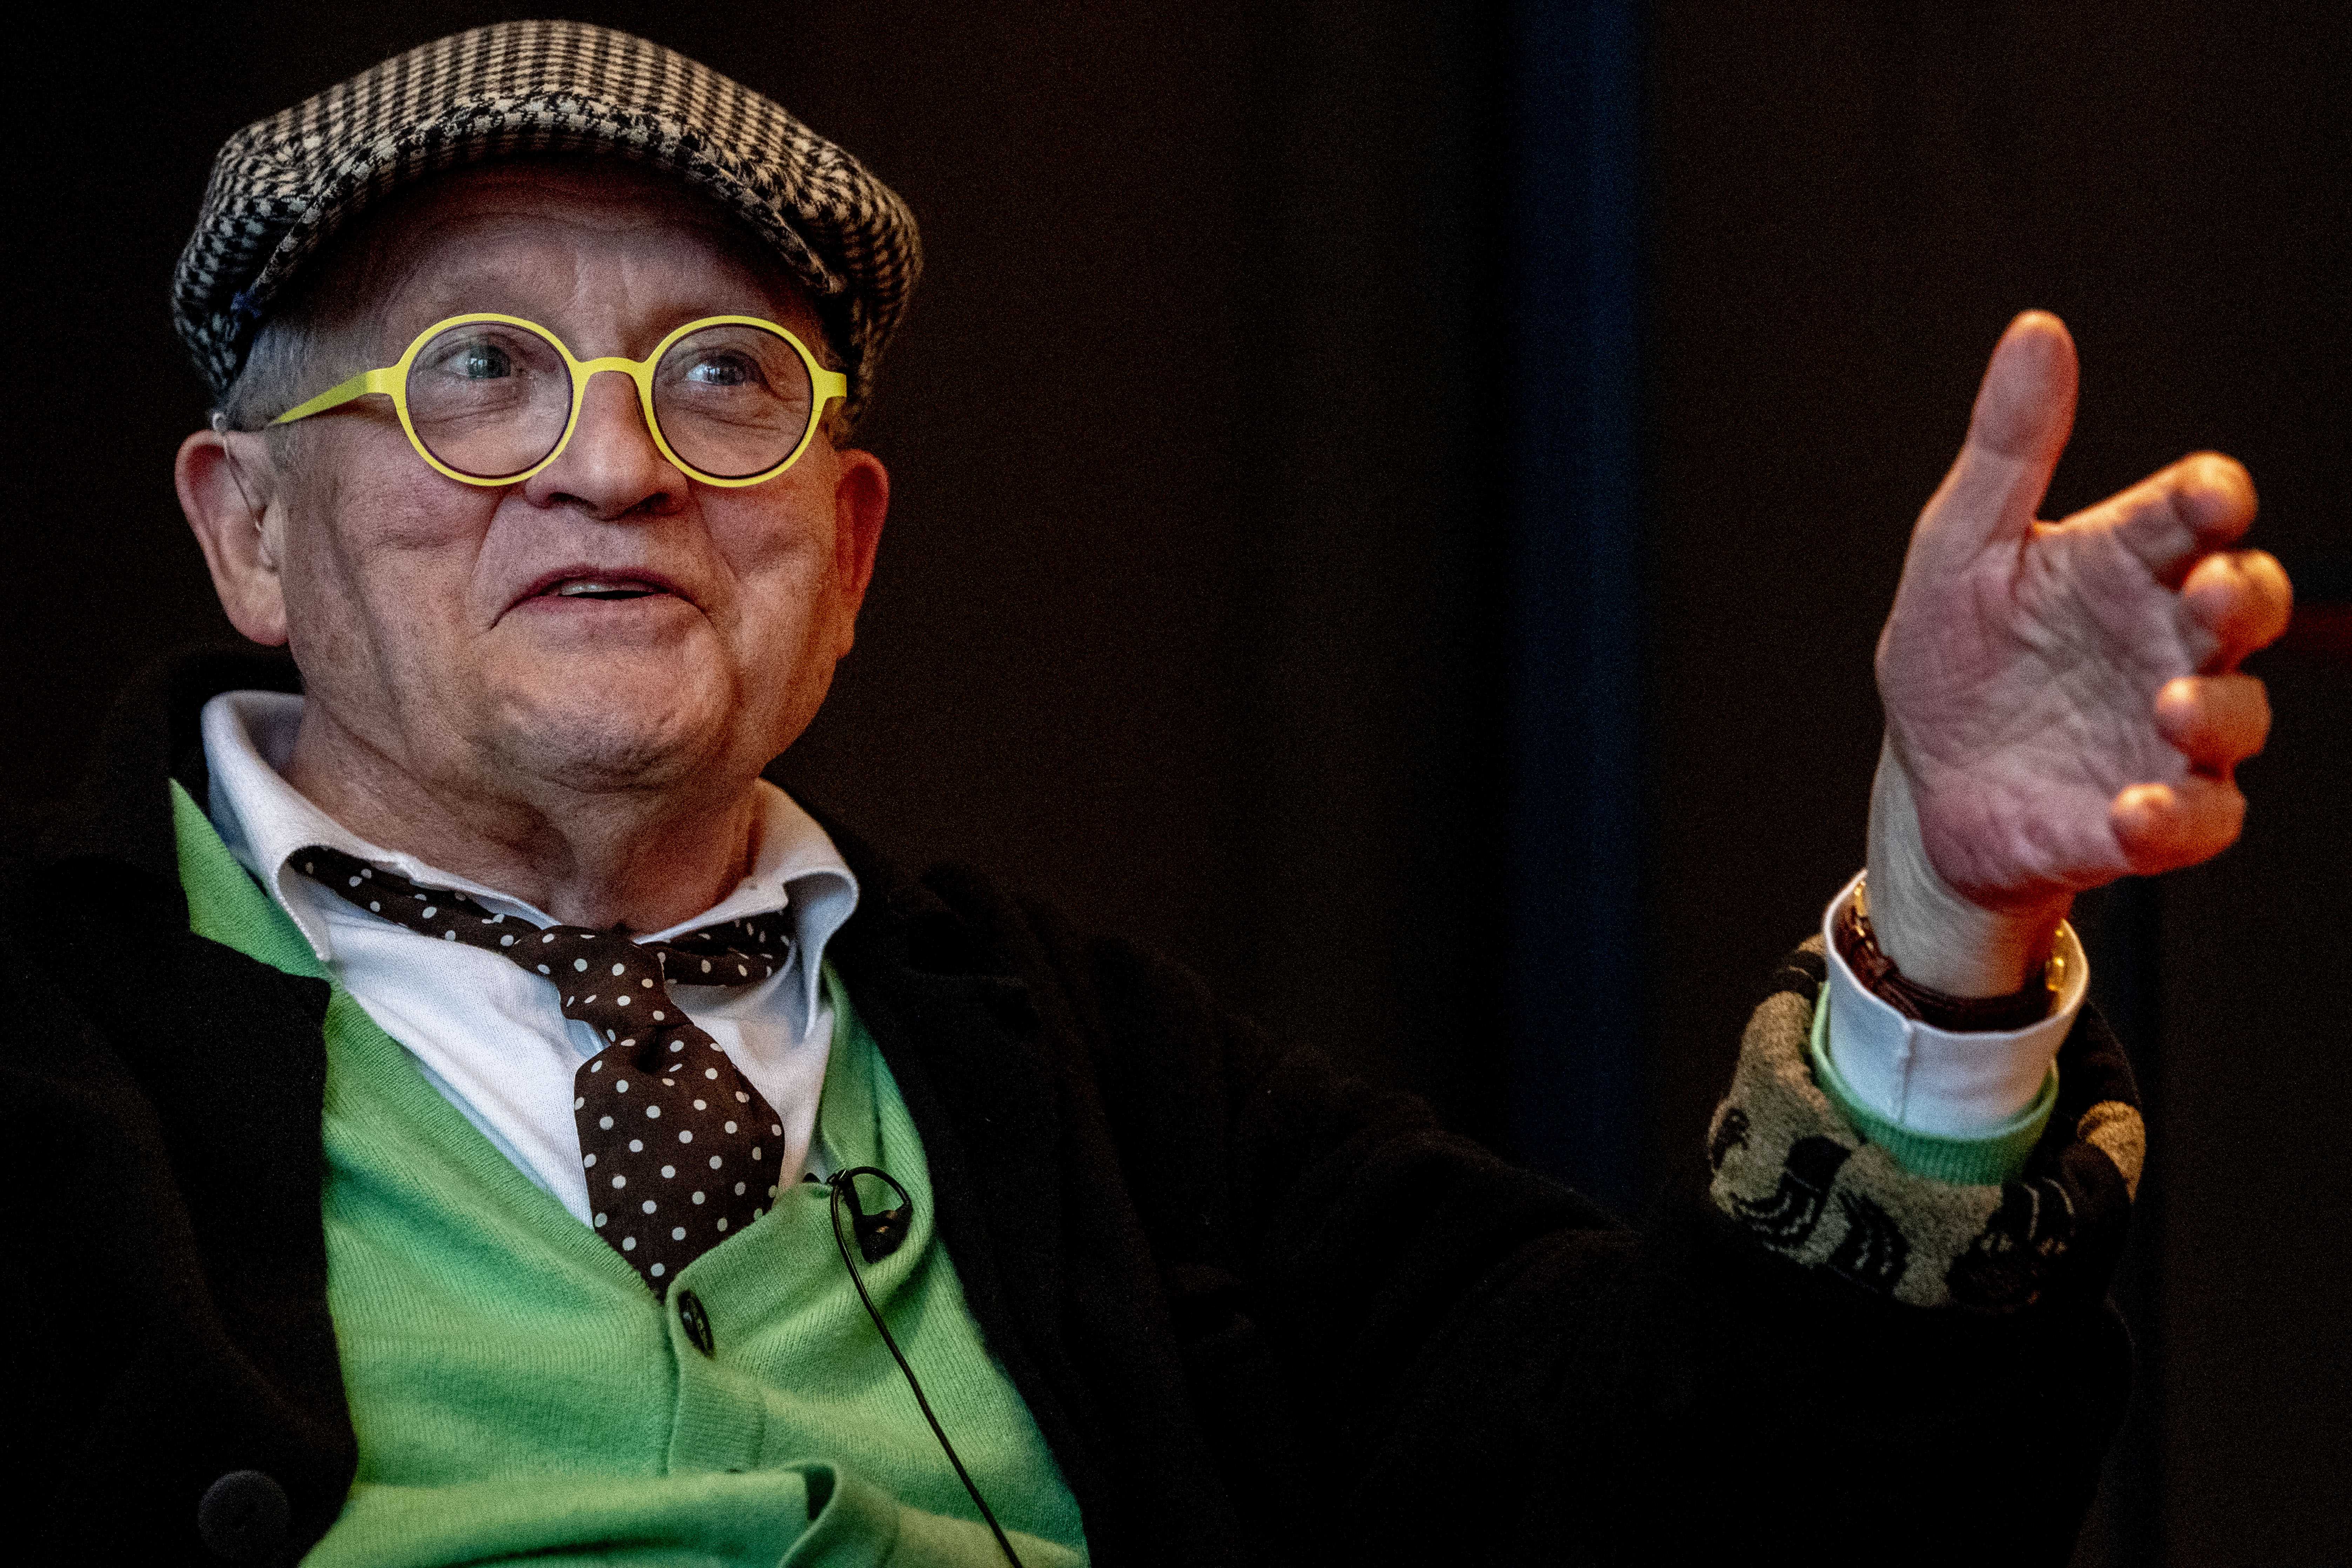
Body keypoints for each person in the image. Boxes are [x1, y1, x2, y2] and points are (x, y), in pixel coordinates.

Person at [1, 20, 2291, 1567]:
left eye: (724, 381)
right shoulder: (39, 1051)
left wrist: (1943, 923)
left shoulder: (1085, 1070)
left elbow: (1707, 1495)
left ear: (854, 550)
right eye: (479, 373)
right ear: (247, 529)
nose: (615, 461)